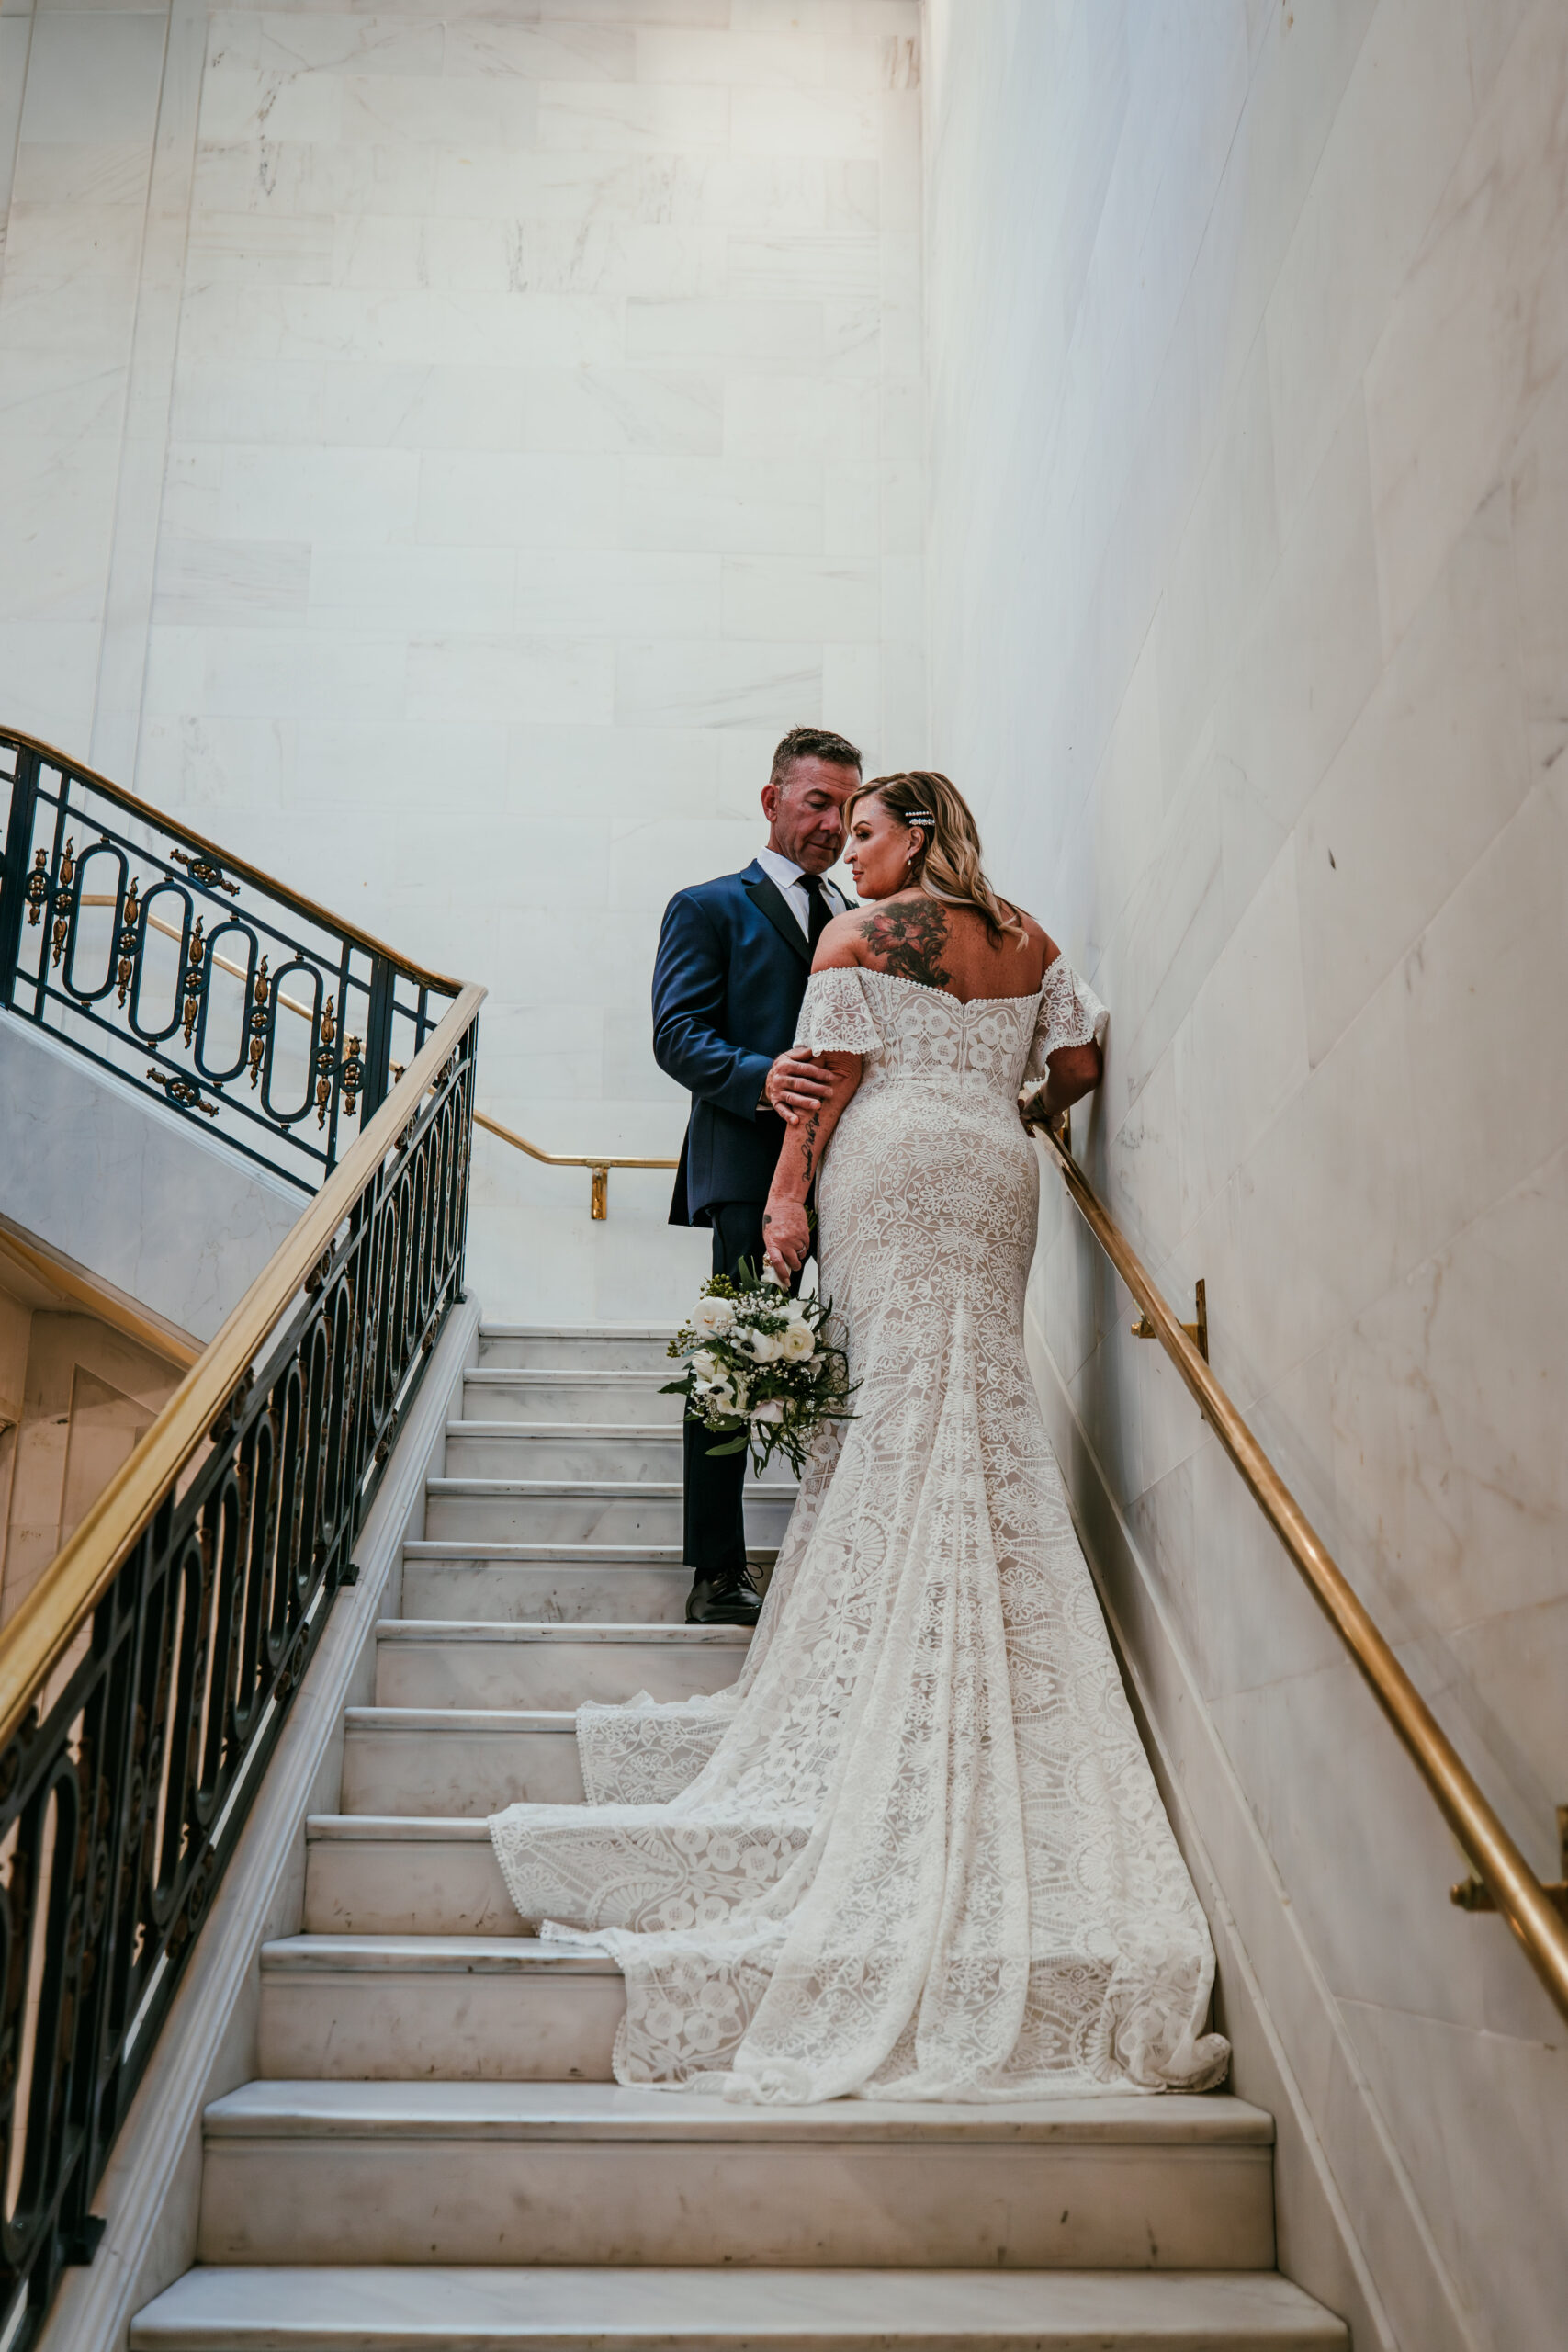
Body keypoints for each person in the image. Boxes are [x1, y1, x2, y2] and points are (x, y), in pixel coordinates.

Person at [491, 770, 1229, 2106]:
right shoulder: (1026, 937)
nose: (856, 855)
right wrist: (1010, 1111)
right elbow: (1077, 1061)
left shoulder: (854, 939)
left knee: (894, 1401)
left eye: (872, 833)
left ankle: (887, 1610)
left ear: (912, 837)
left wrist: (786, 1207)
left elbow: (818, 1089)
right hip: (992, 1175)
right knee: (978, 1393)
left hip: (888, 1168)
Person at [650, 724, 863, 1628]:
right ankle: (718, 1571)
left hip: (853, 1175)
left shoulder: (857, 914)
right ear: (772, 798)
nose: (835, 825)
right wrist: (756, 1076)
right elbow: (676, 1033)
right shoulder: (707, 906)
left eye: (850, 808)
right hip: (745, 1168)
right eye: (819, 802)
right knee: (735, 1359)